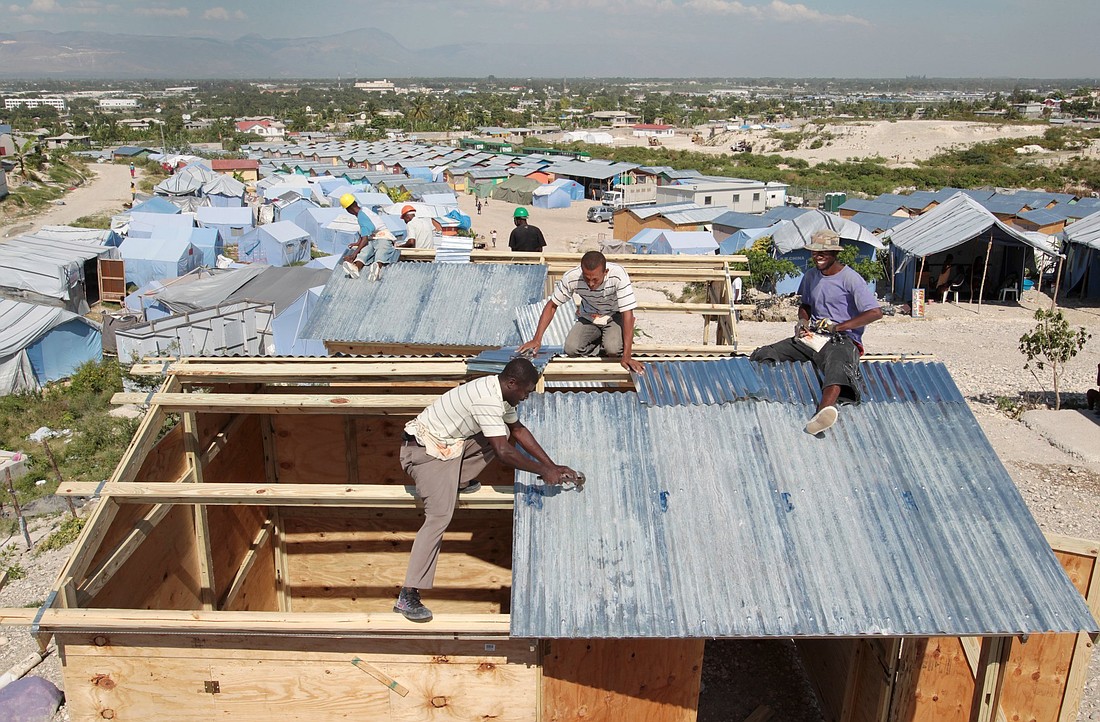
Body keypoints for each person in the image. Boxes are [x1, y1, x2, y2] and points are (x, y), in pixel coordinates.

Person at [395, 357, 578, 622]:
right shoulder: (486, 398)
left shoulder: (500, 393)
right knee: (439, 516)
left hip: (448, 448)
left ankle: (456, 481)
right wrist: (542, 471)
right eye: (525, 391)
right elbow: (504, 452)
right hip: (424, 453)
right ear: (512, 383)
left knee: (502, 429)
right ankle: (407, 595)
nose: (526, 397)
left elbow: (518, 430)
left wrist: (552, 465)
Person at [750, 229, 883, 435]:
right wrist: (803, 320)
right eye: (815, 252)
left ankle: (823, 413)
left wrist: (839, 326)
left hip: (842, 339)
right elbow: (806, 305)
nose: (818, 256)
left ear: (835, 253)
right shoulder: (811, 276)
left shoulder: (851, 279)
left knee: (837, 366)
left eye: (824, 253)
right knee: (766, 352)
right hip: (814, 336)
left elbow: (875, 312)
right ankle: (764, 396)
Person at [518, 251, 645, 373]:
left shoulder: (618, 275)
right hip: (589, 316)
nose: (590, 283)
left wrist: (627, 356)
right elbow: (552, 306)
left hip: (613, 315)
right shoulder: (572, 277)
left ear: (605, 272)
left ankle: (610, 341)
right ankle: (600, 343)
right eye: (586, 278)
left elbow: (628, 314)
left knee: (613, 349)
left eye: (595, 280)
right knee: (571, 349)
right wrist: (537, 339)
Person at [339, 193, 400, 281]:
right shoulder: (364, 210)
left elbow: (365, 239)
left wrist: (353, 255)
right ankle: (356, 268)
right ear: (355, 202)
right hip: (373, 238)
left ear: (348, 210)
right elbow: (364, 232)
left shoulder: (362, 217)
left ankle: (374, 268)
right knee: (365, 251)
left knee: (380, 251)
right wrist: (357, 243)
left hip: (383, 237)